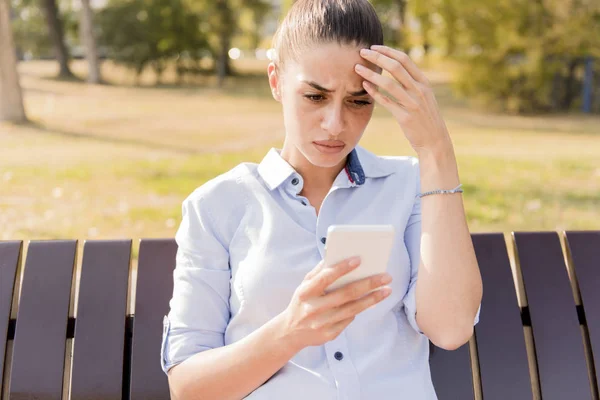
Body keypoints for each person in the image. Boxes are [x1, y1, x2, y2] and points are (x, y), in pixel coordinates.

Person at [160, 0, 483, 399]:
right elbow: (189, 389)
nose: (335, 124)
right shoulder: (217, 207)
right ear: (276, 82)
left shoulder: (411, 185)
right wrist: (291, 331)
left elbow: (450, 329)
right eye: (315, 97)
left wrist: (436, 151)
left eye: (358, 101)